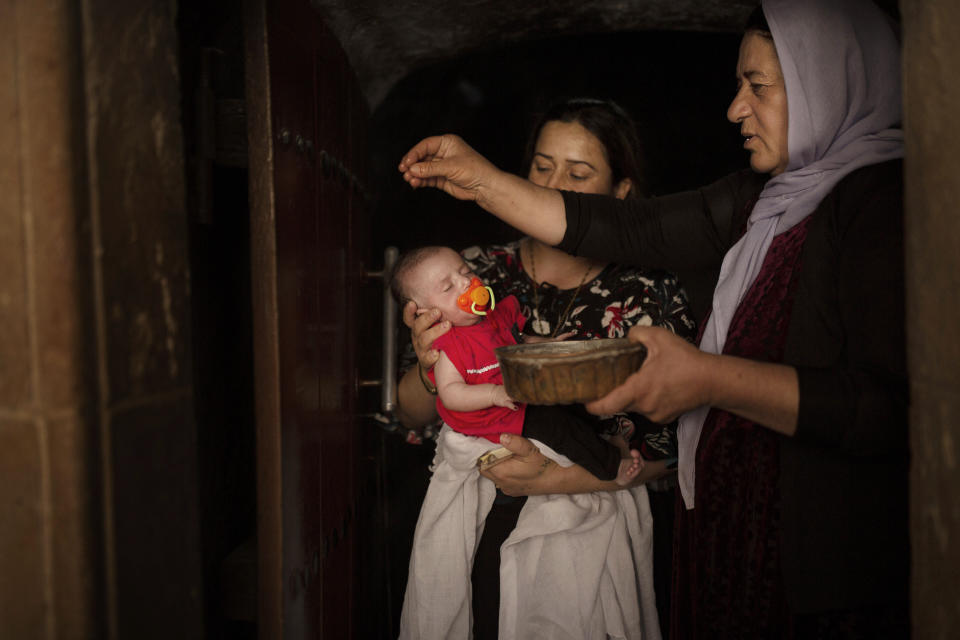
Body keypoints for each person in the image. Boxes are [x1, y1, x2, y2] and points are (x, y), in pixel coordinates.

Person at [396, 1, 908, 637]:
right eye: (542, 167)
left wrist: (707, 380)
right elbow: (417, 407)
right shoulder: (766, 198)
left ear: (832, 80)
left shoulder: (884, 205)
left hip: (815, 560)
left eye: (760, 85)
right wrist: (483, 180)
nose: (735, 108)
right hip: (730, 536)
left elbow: (894, 408)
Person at [392, 98, 696, 638]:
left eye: (578, 174)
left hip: (588, 522)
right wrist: (427, 363)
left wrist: (557, 481)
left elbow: (677, 449)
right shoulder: (469, 273)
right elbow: (413, 417)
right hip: (476, 531)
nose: (554, 185)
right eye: (542, 167)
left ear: (621, 192)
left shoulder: (648, 290)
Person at [389, 244, 644, 484]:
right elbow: (452, 394)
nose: (466, 282)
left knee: (574, 402)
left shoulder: (492, 315)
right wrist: (494, 393)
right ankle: (611, 468)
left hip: (519, 390)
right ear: (426, 314)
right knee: (557, 426)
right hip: (494, 413)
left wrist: (547, 344)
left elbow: (517, 340)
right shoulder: (449, 347)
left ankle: (603, 440)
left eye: (465, 271)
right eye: (448, 287)